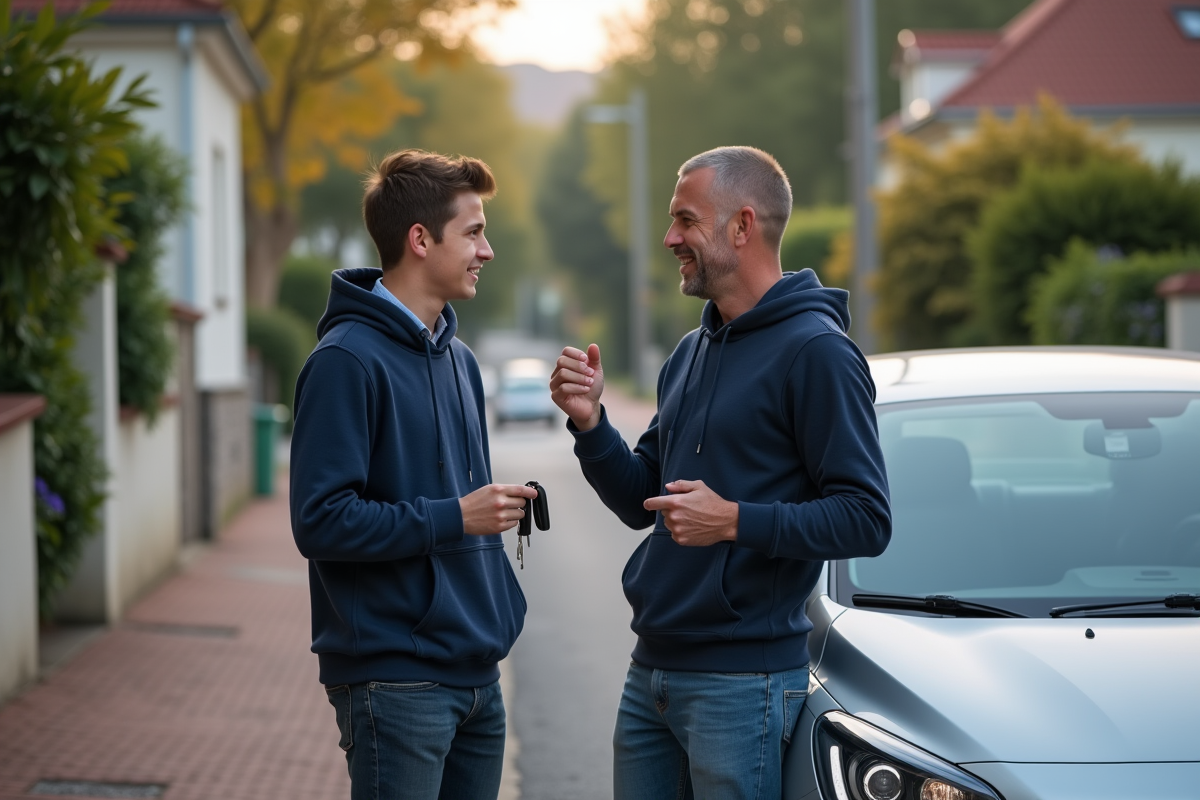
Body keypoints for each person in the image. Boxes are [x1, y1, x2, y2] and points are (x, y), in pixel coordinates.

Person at [549, 146, 892, 800]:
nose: (669, 237)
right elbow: (640, 500)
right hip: (651, 671)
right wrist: (590, 424)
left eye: (685, 220)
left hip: (744, 683)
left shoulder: (818, 354)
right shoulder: (690, 351)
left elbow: (866, 518)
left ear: (743, 225)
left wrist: (733, 521)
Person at [290, 149, 538, 800]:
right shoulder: (344, 362)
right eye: (475, 232)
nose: (487, 251)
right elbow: (320, 521)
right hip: (394, 679)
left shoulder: (458, 359)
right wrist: (457, 517)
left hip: (476, 674)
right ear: (420, 240)